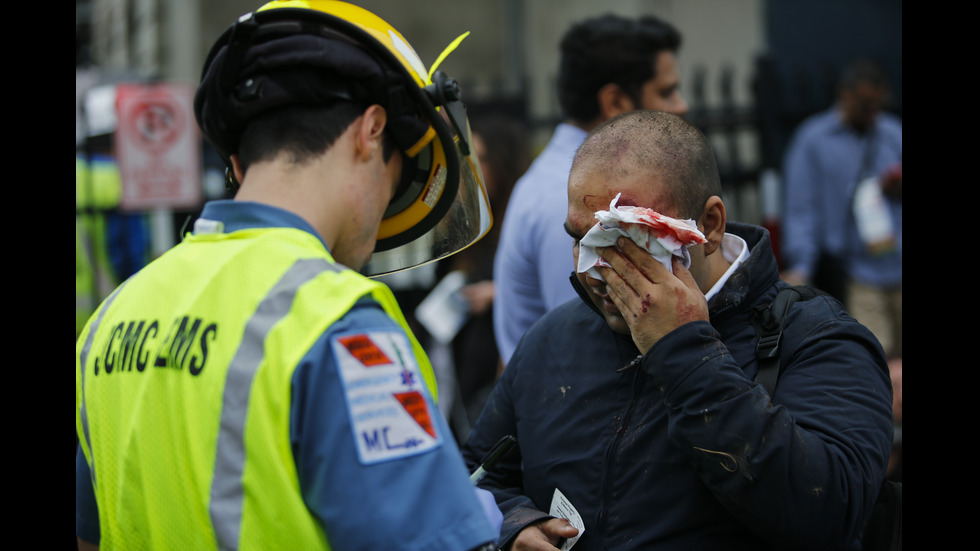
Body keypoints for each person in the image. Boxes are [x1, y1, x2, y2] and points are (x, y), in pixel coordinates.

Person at [75, 1, 503, 549]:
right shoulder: (337, 321)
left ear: (236, 161)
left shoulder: (113, 318)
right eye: (395, 181)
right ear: (371, 133)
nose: (382, 211)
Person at [463, 110, 893, 550]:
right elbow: (475, 478)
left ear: (708, 226)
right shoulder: (551, 339)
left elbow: (830, 515)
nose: (595, 269)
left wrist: (685, 350)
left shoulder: (818, 340)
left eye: (623, 238)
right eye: (580, 239)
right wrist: (513, 526)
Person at [492, 13, 689, 365]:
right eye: (666, 92)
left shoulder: (569, 182)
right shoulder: (573, 200)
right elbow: (589, 349)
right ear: (615, 102)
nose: (681, 106)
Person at [780, 57, 902, 357]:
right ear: (845, 95)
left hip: (899, 261)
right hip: (858, 271)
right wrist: (801, 266)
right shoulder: (813, 140)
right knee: (877, 357)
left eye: (878, 105)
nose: (872, 112)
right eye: (864, 104)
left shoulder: (892, 133)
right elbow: (800, 209)